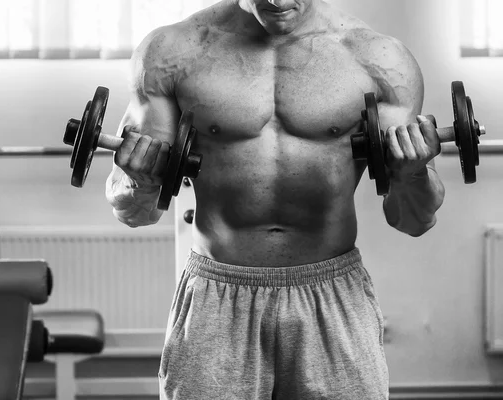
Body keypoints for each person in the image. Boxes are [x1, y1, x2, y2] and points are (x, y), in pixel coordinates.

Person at [106, 0, 445, 398]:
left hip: (331, 293)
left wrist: (412, 171)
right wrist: (137, 179)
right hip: (218, 295)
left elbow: (414, 220)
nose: (279, 2)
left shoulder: (380, 60)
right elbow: (134, 211)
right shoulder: (172, 53)